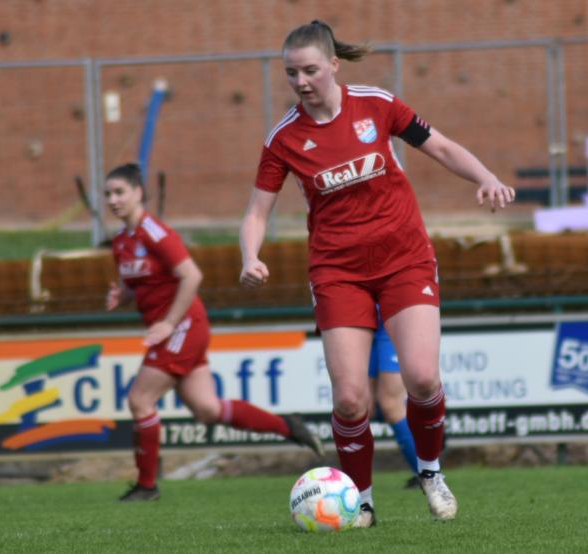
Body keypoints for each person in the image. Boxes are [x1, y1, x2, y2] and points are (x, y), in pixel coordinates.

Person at [239, 21, 514, 526]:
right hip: (338, 271)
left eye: (310, 70)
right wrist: (249, 255)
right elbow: (258, 210)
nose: (301, 81)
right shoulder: (283, 138)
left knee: (423, 378)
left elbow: (441, 146)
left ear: (334, 66)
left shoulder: (376, 104)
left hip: (403, 258)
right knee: (349, 399)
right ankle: (361, 500)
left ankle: (430, 472)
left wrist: (486, 177)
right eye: (291, 73)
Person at [104, 162, 325, 502]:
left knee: (140, 400)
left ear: (138, 193)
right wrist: (122, 295)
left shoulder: (154, 232)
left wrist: (167, 323)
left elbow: (191, 275)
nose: (113, 200)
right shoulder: (121, 242)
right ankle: (288, 426)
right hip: (175, 329)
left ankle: (147, 486)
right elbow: (143, 283)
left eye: (119, 192)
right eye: (107, 194)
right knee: (207, 410)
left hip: (182, 326)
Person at [367, 311, 420, 488]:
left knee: (390, 404)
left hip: (388, 317)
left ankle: (425, 473)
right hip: (357, 319)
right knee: (363, 406)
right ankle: (354, 486)